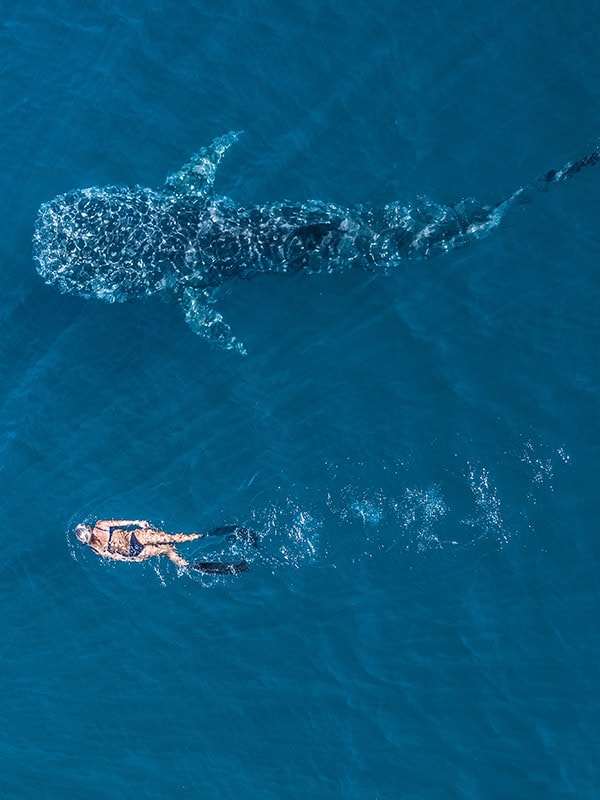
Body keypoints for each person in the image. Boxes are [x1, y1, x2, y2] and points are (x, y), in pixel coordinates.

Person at [74, 519, 254, 573]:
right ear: (88, 528)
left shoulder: (95, 549)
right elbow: (122, 522)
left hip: (133, 551)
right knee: (174, 538)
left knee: (167, 550)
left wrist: (136, 558)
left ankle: (187, 566)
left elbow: (117, 557)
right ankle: (204, 535)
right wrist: (138, 522)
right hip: (136, 536)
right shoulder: (99, 525)